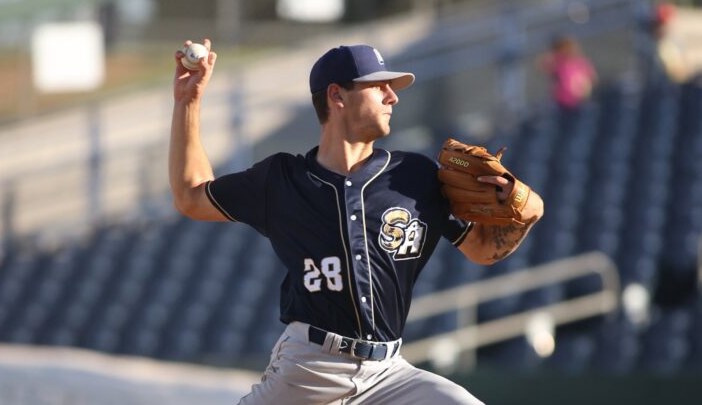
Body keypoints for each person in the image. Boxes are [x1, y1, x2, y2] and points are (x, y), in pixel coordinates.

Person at [169, 39, 544, 404]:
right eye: (379, 86)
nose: (392, 97)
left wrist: (527, 213)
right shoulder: (281, 180)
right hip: (310, 369)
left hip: (389, 375)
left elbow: (481, 249)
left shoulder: (415, 176)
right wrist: (189, 102)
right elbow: (191, 195)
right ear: (337, 96)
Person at [539, 36, 597, 110]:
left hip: (579, 101)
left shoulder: (580, 61)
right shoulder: (559, 62)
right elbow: (543, 64)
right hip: (561, 101)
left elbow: (591, 78)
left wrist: (583, 88)